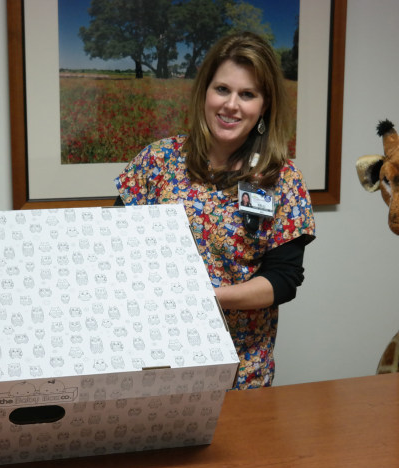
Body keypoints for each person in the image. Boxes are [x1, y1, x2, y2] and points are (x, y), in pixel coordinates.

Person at [114, 32, 315, 389]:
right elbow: (109, 247)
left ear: (265, 105)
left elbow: (284, 280)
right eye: (222, 89)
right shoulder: (157, 161)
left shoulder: (281, 179)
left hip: (239, 373)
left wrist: (205, 299)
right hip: (149, 364)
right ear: (205, 92)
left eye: (247, 94)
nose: (231, 105)